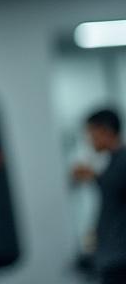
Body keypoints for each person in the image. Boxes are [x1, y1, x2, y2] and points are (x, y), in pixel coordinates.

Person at [73, 108, 126, 283]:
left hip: (119, 257)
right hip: (111, 255)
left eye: (91, 133)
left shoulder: (122, 160)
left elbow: (116, 186)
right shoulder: (112, 162)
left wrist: (94, 177)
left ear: (105, 131)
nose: (89, 140)